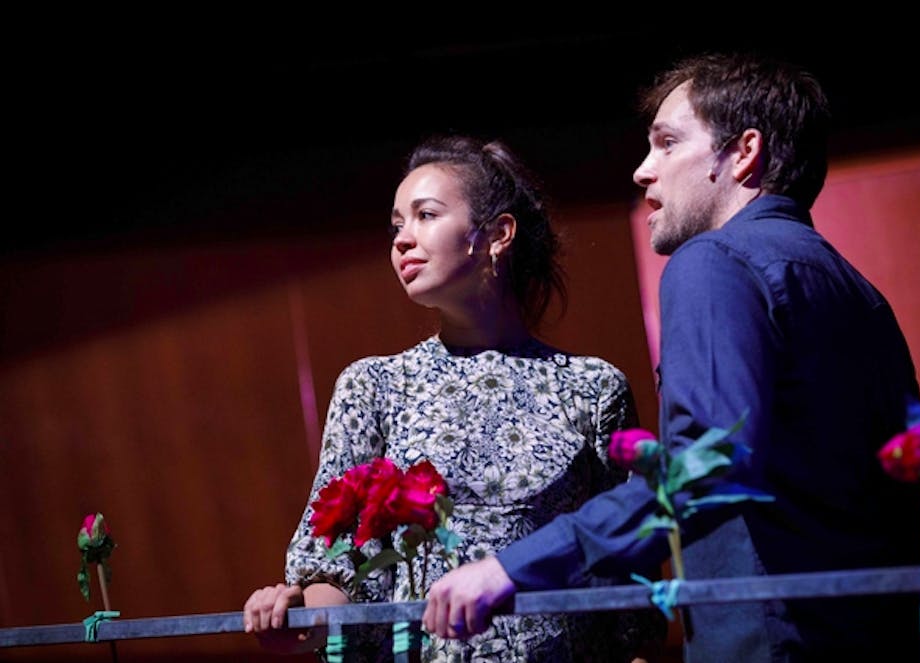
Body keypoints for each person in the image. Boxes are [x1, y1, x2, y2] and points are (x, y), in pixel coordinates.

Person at [422, 53, 920, 662]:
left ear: (743, 153)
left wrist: (514, 567)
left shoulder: (714, 262)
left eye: (667, 143)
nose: (642, 170)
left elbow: (707, 464)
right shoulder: (857, 290)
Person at [243, 135, 662, 661]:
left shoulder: (593, 388)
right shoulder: (374, 385)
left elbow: (626, 577)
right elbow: (339, 563)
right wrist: (298, 617)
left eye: (425, 215)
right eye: (396, 225)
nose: (402, 239)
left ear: (497, 235)